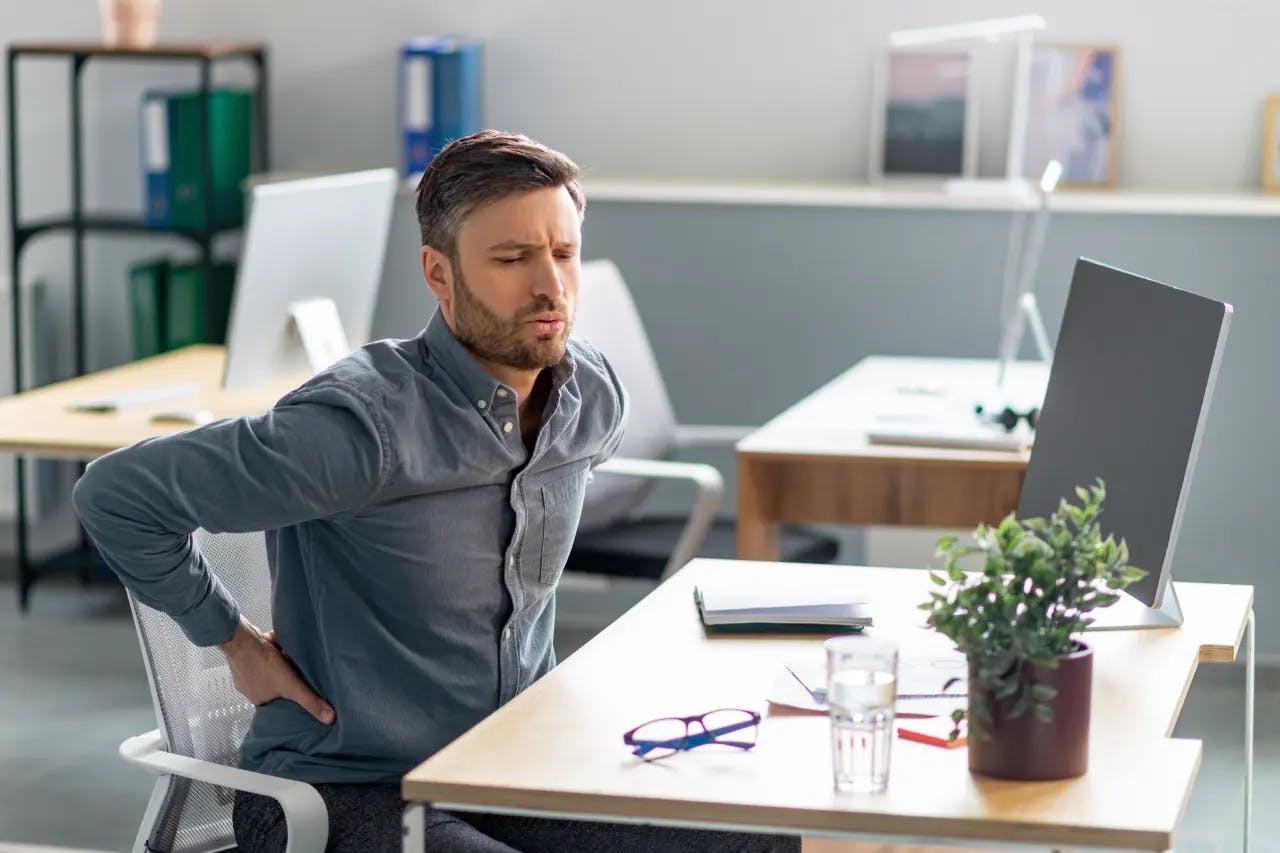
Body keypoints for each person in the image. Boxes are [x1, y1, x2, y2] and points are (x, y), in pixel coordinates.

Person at [74, 130, 797, 853]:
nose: (550, 284)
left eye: (564, 253)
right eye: (512, 258)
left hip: (508, 770)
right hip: (342, 793)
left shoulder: (590, 397)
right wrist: (231, 639)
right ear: (439, 273)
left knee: (774, 838)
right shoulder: (360, 429)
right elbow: (117, 493)